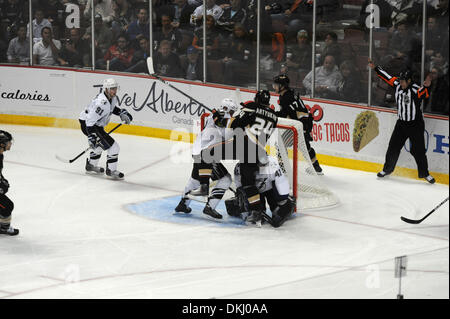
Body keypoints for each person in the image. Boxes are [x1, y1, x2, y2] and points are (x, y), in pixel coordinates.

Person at [213, 90, 278, 226]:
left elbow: (236, 124)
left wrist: (221, 119)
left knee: (209, 154)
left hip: (245, 146)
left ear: (257, 99)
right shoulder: (274, 116)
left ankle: (255, 210)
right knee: (250, 181)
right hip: (259, 150)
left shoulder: (252, 107)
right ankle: (258, 210)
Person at [368, 59, 436, 184]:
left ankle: (425, 173)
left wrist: (428, 86)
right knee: (393, 147)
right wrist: (375, 68)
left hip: (415, 124)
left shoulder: (416, 90)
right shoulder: (397, 85)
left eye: (403, 81)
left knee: (418, 150)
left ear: (409, 81)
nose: (401, 83)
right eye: (400, 80)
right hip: (401, 124)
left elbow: (425, 94)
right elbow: (386, 76)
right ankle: (387, 169)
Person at [174, 98, 237, 219]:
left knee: (195, 180)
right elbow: (223, 131)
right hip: (206, 155)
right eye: (232, 112)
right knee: (226, 179)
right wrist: (221, 119)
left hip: (198, 152)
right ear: (226, 109)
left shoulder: (216, 116)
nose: (233, 115)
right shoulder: (217, 117)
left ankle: (183, 204)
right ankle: (210, 207)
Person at [78, 78, 133, 179]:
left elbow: (111, 108)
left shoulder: (112, 98)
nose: (114, 91)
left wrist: (121, 112)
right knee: (114, 147)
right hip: (89, 125)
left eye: (115, 88)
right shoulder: (101, 103)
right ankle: (111, 170)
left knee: (99, 145)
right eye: (112, 89)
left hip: (94, 125)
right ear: (106, 89)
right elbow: (90, 120)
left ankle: (91, 165)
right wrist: (91, 136)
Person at [273, 74, 323, 175]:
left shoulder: (285, 97)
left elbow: (285, 114)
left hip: (300, 125)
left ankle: (282, 168)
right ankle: (316, 166)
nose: (274, 87)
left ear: (282, 86)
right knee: (305, 146)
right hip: (305, 123)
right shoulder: (291, 93)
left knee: (281, 144)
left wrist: (272, 114)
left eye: (276, 85)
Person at [229, 156, 295, 228]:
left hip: (270, 189)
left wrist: (283, 200)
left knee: (278, 210)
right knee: (253, 215)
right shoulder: (240, 168)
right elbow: (241, 188)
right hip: (255, 191)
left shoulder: (272, 164)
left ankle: (287, 202)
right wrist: (252, 206)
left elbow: (280, 182)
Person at [0, 130, 19, 236]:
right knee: (7, 206)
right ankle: (3, 228)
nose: (10, 143)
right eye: (8, 142)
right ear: (1, 144)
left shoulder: (0, 155)